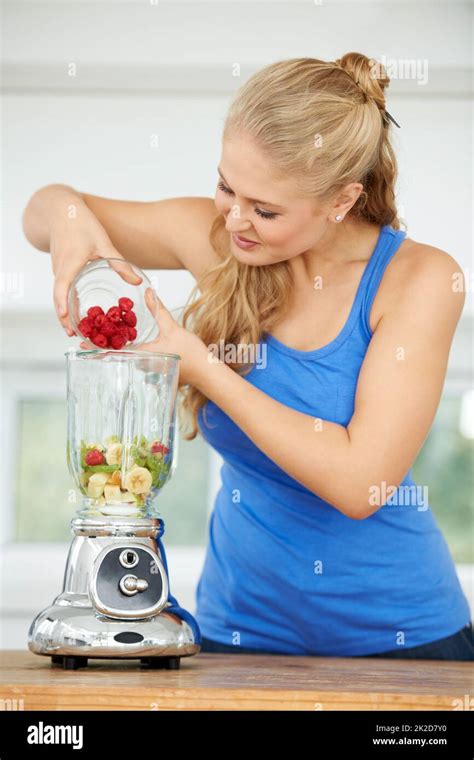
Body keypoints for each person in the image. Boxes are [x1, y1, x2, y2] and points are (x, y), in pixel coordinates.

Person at [22, 53, 473, 660]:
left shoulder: (418, 278)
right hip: (239, 633)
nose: (234, 219)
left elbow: (360, 484)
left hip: (401, 641)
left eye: (264, 210)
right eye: (226, 186)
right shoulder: (219, 239)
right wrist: (69, 220)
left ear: (341, 200)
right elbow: (45, 209)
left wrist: (201, 365)